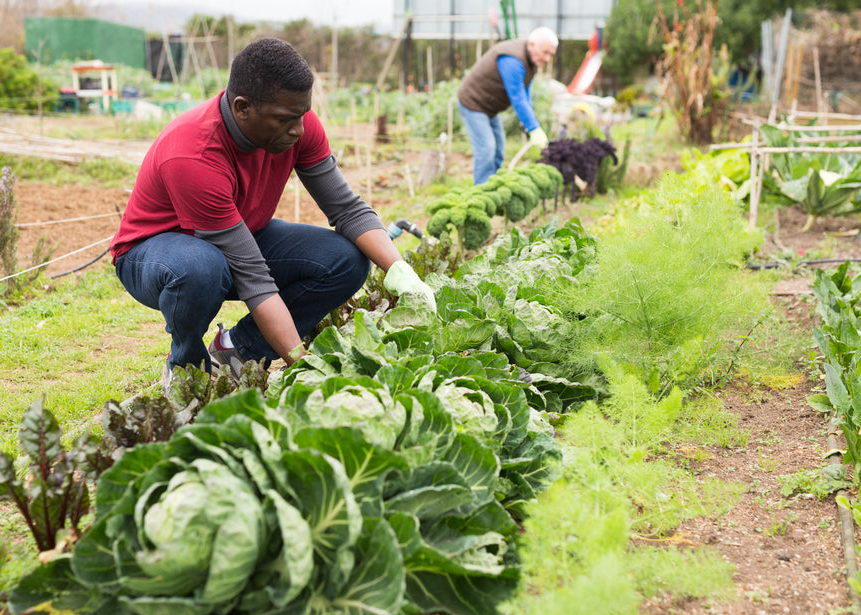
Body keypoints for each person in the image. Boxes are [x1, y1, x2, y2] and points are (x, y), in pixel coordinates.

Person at [110, 37, 434, 386]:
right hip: (155, 255)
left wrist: (400, 270)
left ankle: (237, 351)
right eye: (285, 119)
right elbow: (253, 277)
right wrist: (301, 362)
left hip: (238, 236)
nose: (298, 129)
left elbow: (346, 209)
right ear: (242, 107)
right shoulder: (194, 155)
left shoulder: (298, 125)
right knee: (201, 268)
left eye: (302, 114)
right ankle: (187, 370)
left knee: (346, 259)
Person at [456, 26, 559, 185]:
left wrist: (527, 122)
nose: (547, 59)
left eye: (551, 55)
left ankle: (492, 188)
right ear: (532, 45)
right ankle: (480, 196)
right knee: (486, 149)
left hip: (490, 108)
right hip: (473, 102)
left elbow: (526, 92)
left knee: (498, 150)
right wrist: (534, 128)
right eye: (545, 52)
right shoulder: (512, 60)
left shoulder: (530, 60)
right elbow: (517, 97)